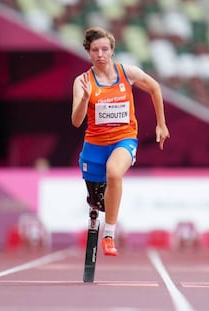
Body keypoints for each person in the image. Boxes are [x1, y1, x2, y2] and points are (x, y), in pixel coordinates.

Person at [72, 27, 170, 256]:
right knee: (98, 200)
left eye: (105, 49)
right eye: (95, 50)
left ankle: (109, 235)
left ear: (112, 51)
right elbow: (76, 121)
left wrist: (161, 124)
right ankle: (97, 204)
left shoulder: (127, 73)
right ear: (88, 53)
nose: (100, 54)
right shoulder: (82, 82)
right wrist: (85, 99)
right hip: (94, 146)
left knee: (114, 173)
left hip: (124, 139)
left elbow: (155, 87)